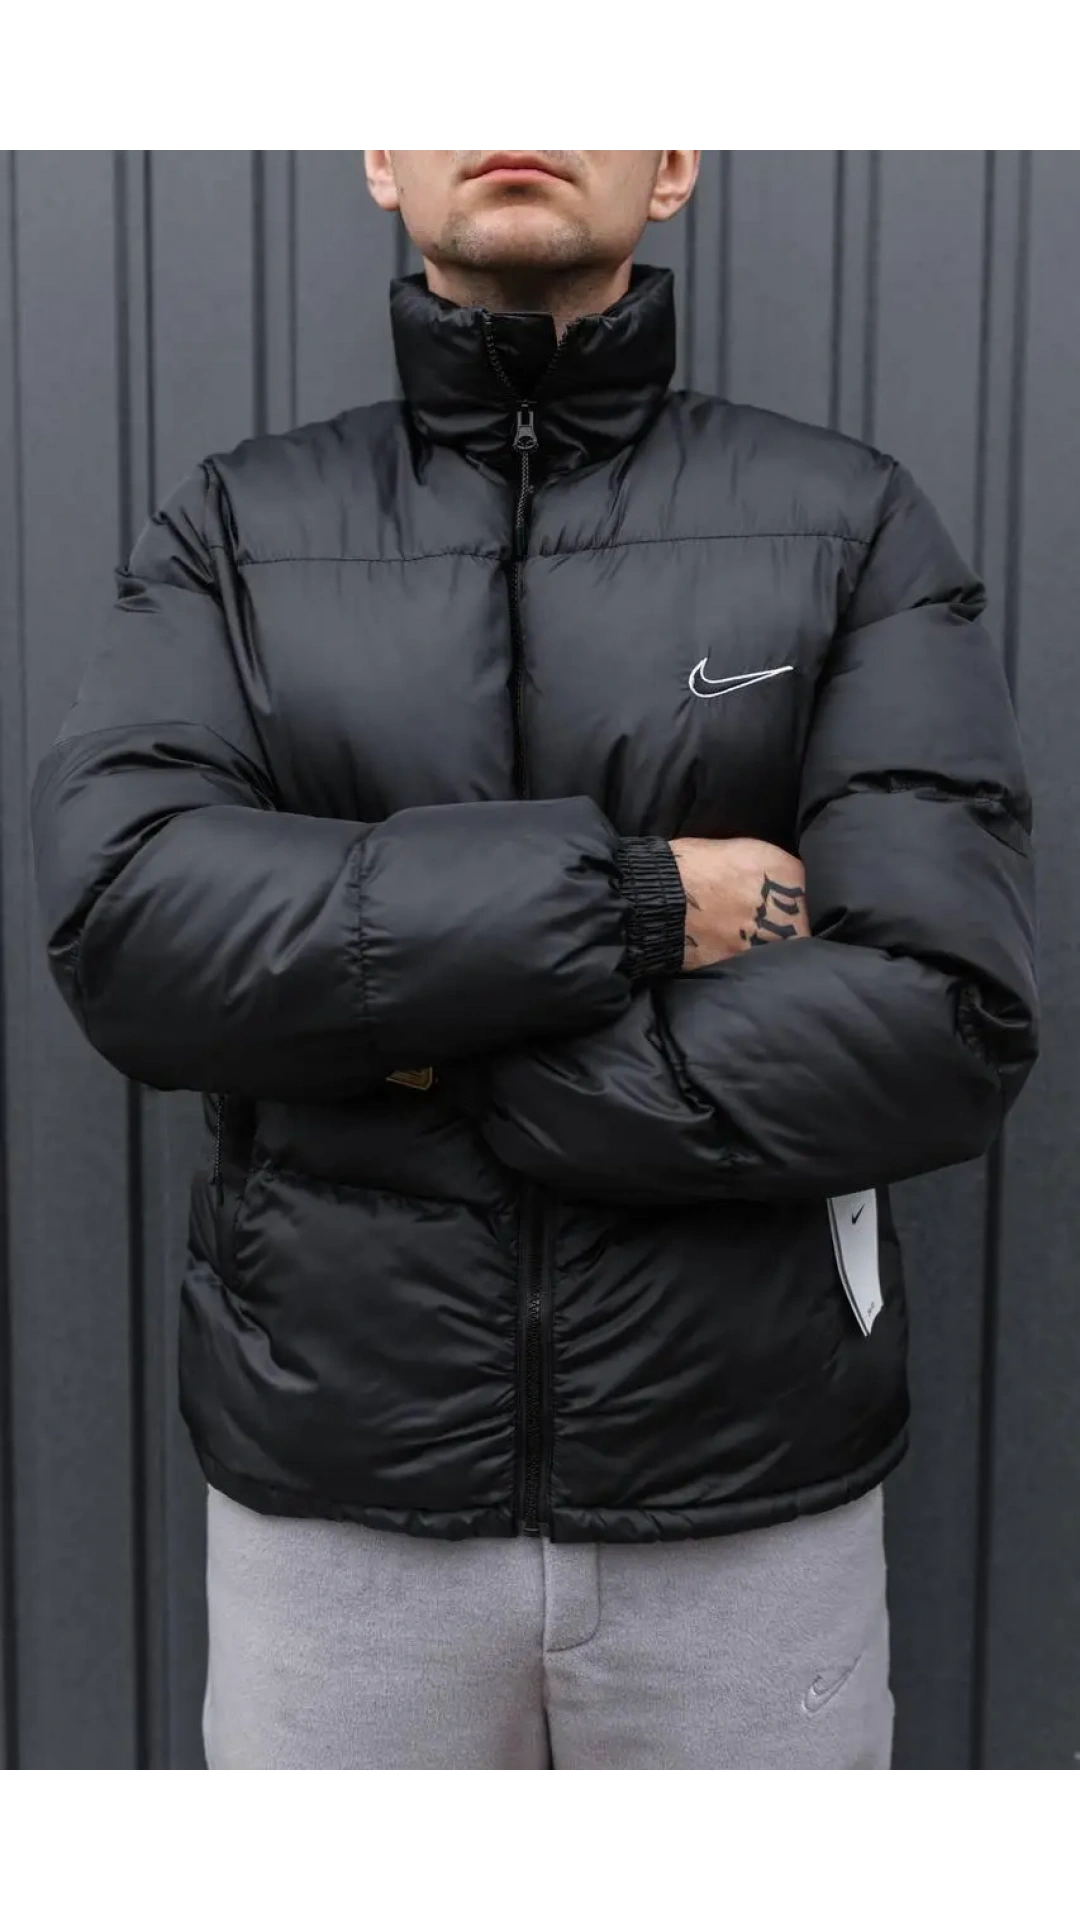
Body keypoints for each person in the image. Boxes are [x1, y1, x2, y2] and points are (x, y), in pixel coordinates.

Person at [30, 146, 1039, 1775]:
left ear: (675, 162)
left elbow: (939, 1014)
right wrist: (633, 907)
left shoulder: (848, 522)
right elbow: (133, 926)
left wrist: (413, 1037)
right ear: (381, 158)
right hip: (342, 1516)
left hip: (743, 1510)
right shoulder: (235, 528)